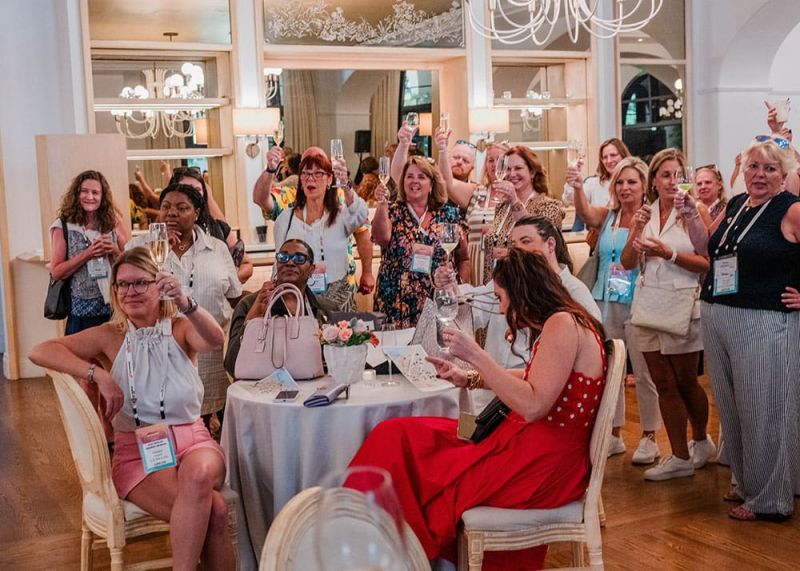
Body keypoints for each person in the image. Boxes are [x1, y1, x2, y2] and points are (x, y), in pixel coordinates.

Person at [348, 249, 607, 570]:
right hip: (531, 445)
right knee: (396, 435)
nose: (501, 308)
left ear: (522, 290)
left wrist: (475, 355)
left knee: (404, 444)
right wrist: (470, 377)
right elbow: (536, 378)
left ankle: (375, 548)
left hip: (539, 462)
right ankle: (379, 545)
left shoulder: (562, 324)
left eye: (501, 297)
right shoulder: (566, 320)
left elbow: (533, 404)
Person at [29, 247, 234, 571]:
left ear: (159, 285)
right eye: (122, 284)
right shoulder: (109, 336)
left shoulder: (180, 328)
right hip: (140, 451)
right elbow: (40, 351)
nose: (130, 291)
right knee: (216, 510)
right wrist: (97, 374)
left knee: (198, 477)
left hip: (194, 441)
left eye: (140, 283)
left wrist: (185, 302)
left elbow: (214, 339)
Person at [677, 136, 800, 521]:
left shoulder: (791, 208)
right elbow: (708, 248)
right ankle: (746, 484)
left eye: (769, 168)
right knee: (732, 409)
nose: (760, 175)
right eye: (753, 167)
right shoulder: (737, 205)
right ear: (743, 170)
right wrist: (691, 216)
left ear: (784, 174)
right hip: (719, 313)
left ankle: (770, 499)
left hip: (764, 319)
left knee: (764, 410)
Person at [435, 216, 600, 412]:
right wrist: (450, 288)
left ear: (550, 244)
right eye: (514, 245)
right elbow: (473, 304)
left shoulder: (568, 309)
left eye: (526, 241)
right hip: (495, 398)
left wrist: (475, 356)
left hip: (525, 410)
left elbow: (536, 401)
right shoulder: (512, 284)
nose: (501, 310)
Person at [620, 148, 715, 481]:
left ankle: (700, 440)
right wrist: (636, 230)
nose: (673, 182)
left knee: (686, 380)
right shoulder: (645, 213)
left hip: (682, 303)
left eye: (679, 175)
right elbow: (627, 263)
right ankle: (678, 455)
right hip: (647, 304)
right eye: (666, 175)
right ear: (654, 181)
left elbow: (707, 262)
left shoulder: (694, 210)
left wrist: (668, 252)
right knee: (663, 382)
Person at [566, 156, 662, 463]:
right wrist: (578, 187)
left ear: (644, 185)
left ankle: (649, 436)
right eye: (619, 182)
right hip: (604, 301)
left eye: (632, 181)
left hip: (638, 301)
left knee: (643, 371)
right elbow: (584, 213)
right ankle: (614, 433)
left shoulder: (653, 217)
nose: (625, 187)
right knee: (611, 370)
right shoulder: (609, 216)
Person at [127, 183, 242, 424]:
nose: (172, 213)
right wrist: (162, 252)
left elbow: (234, 295)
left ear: (196, 213)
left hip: (208, 354)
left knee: (204, 423)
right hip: (159, 353)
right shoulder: (139, 247)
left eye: (181, 208)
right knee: (163, 419)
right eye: (166, 206)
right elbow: (127, 290)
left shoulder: (217, 248)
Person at [252, 146, 372, 308]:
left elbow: (361, 222)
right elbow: (260, 199)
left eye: (318, 172)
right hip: (296, 297)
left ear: (329, 178)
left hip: (339, 296)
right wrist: (270, 169)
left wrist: (367, 272)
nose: (311, 178)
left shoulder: (342, 208)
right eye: (306, 172)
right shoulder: (286, 214)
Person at [372, 156, 469, 328]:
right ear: (403, 182)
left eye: (421, 177)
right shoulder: (393, 211)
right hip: (395, 302)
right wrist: (382, 204)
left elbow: (464, 258)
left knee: (438, 343)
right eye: (409, 176)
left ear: (431, 184)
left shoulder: (449, 214)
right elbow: (382, 238)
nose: (414, 181)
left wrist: (459, 287)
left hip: (438, 300)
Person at [224, 239, 333, 376]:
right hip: (261, 383)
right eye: (283, 257)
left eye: (299, 258)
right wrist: (253, 317)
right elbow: (231, 365)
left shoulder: (325, 308)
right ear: (277, 264)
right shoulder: (249, 304)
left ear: (312, 269)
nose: (290, 262)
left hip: (314, 381)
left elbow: (336, 360)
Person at [50, 170, 130, 336]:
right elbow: (57, 272)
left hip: (114, 307)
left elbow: (131, 261)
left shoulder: (113, 221)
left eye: (95, 192)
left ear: (103, 196)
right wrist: (88, 254)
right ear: (76, 194)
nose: (90, 197)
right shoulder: (63, 225)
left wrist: (113, 250)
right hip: (81, 313)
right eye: (84, 191)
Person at [436, 127, 510, 285]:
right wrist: (443, 150)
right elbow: (447, 183)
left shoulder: (515, 198)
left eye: (500, 160)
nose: (494, 164)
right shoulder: (477, 192)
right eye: (490, 160)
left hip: (504, 265)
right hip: (476, 264)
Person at [482, 146, 565, 284]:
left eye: (518, 168)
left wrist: (509, 254)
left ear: (532, 172)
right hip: (497, 285)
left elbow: (540, 244)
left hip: (532, 284)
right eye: (508, 169)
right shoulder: (502, 207)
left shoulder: (549, 206)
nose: (512, 174)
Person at [169, 166, 254, 284]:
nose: (192, 194)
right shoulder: (164, 232)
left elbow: (246, 265)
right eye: (185, 189)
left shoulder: (218, 227)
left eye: (197, 189)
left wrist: (224, 282)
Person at [563, 138, 631, 231]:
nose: (609, 160)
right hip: (598, 236)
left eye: (613, 155)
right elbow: (568, 200)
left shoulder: (634, 183)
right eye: (605, 157)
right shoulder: (593, 184)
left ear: (623, 156)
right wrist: (572, 182)